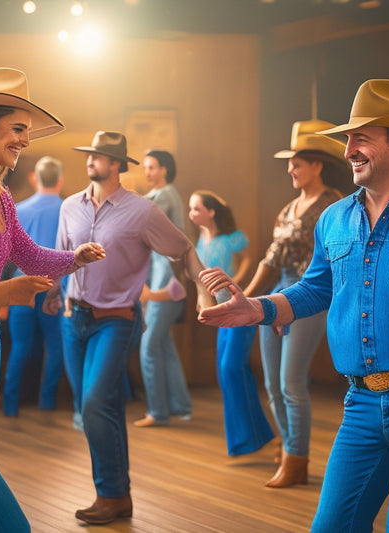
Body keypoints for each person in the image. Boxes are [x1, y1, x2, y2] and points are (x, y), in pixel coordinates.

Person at [198, 78, 389, 532]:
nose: (347, 151)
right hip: (361, 403)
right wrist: (260, 309)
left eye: (359, 138)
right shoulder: (334, 219)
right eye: (347, 140)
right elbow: (314, 289)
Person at [0, 67, 105, 533]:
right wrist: (7, 292)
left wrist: (73, 259)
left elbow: (30, 255)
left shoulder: (0, 198)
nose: (24, 141)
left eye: (27, 134)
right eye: (17, 129)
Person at [50, 131, 214, 525]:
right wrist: (54, 291)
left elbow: (184, 248)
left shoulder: (141, 211)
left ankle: (109, 494)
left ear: (118, 164)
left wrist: (204, 292)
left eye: (101, 156)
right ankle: (117, 497)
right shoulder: (70, 206)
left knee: (93, 405)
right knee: (96, 406)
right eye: (90, 153)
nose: (92, 160)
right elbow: (60, 256)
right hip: (74, 318)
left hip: (117, 320)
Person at [242, 120, 349, 487]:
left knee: (290, 382)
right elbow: (271, 259)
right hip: (277, 294)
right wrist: (248, 299)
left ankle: (297, 459)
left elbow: (336, 265)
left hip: (311, 295)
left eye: (297, 162)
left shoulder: (334, 205)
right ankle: (288, 448)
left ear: (318, 165)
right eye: (289, 162)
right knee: (272, 384)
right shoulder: (289, 208)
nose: (289, 168)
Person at [189, 190, 276, 458]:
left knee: (231, 367)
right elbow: (197, 275)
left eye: (196, 209)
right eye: (191, 209)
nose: (191, 214)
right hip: (221, 311)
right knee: (227, 370)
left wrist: (234, 280)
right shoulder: (199, 240)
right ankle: (250, 439)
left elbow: (252, 260)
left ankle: (261, 436)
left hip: (243, 307)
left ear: (211, 211)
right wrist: (202, 298)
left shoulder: (234, 238)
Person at [3, 156, 66, 416]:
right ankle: (47, 403)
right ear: (60, 181)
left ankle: (9, 406)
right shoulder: (68, 209)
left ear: (34, 178)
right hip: (55, 286)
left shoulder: (17, 209)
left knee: (19, 346)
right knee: (54, 345)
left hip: (22, 286)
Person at [134, 150, 193, 427]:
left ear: (164, 171)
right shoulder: (162, 195)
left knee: (148, 347)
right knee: (164, 346)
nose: (147, 172)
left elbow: (138, 209)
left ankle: (157, 412)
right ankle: (181, 406)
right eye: (145, 167)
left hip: (167, 282)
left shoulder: (166, 193)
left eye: (152, 167)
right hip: (163, 279)